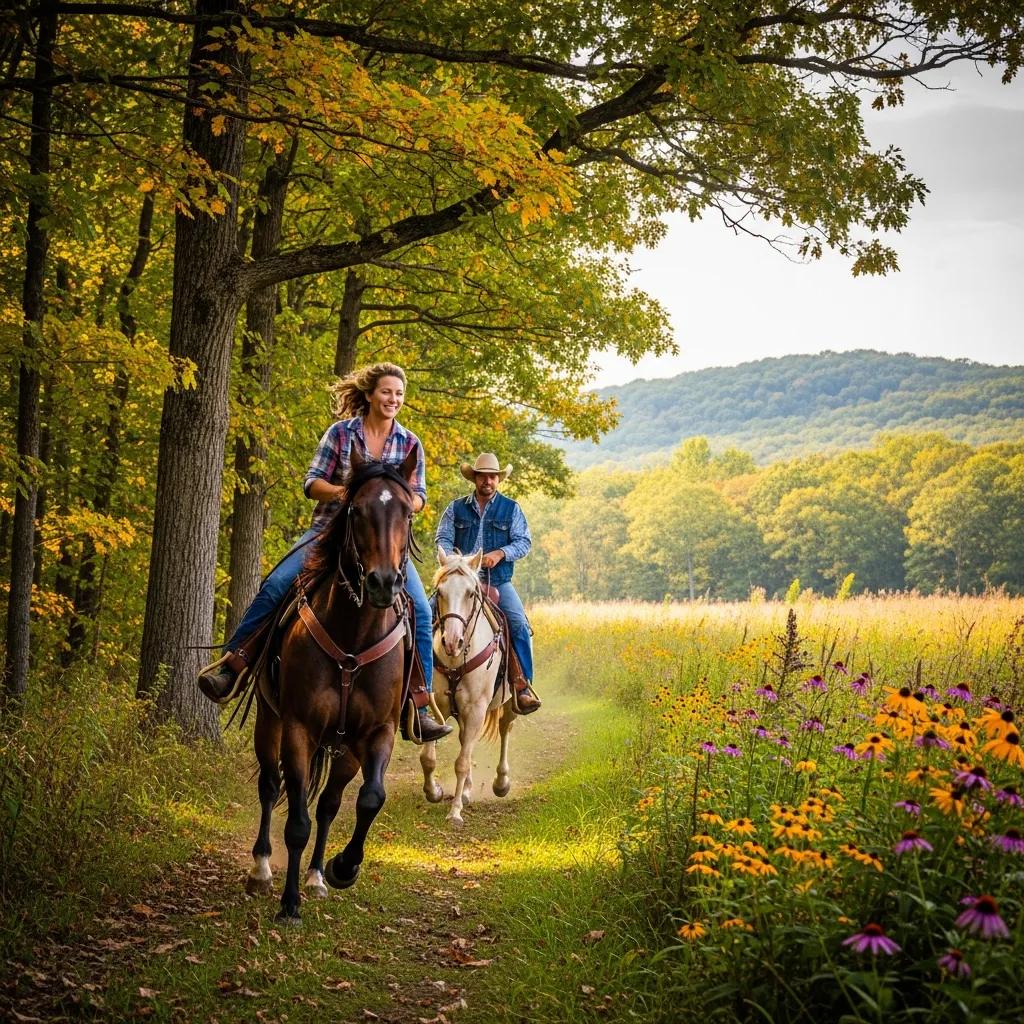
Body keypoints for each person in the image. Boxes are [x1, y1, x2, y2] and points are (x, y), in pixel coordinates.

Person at [197, 362, 452, 743]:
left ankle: (418, 704)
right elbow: (312, 483)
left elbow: (419, 497)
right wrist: (347, 494)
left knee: (418, 604)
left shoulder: (410, 443)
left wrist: (397, 502)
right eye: (386, 392)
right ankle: (234, 666)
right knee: (278, 583)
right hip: (330, 531)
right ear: (369, 394)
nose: (393, 399)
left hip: (383, 540)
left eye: (398, 394)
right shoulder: (340, 434)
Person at [435, 453, 541, 715]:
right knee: (424, 619)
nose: (488, 481)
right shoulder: (456, 508)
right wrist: (452, 560)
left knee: (518, 624)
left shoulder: (511, 508)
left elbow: (523, 542)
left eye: (492, 476)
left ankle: (521, 685)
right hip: (459, 579)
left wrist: (500, 553)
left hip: (498, 580)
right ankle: (416, 689)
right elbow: (443, 538)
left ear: (498, 479)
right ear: (475, 478)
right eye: (483, 476)